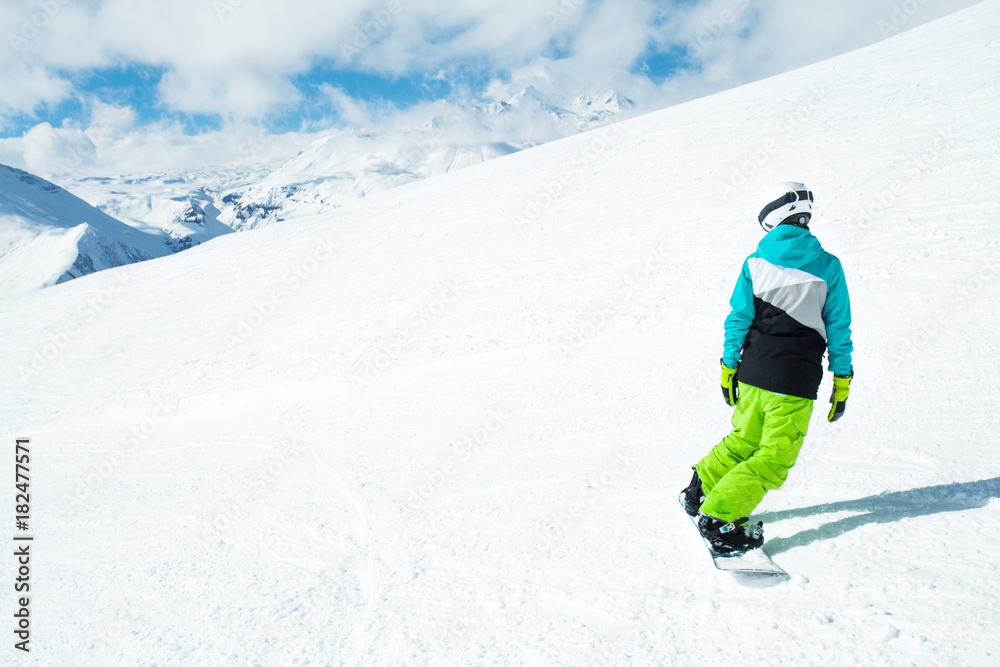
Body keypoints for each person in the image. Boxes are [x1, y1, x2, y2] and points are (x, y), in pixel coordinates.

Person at [680, 181, 854, 555]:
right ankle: (719, 519)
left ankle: (700, 490)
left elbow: (738, 319)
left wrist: (729, 367)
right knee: (774, 457)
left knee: (744, 441)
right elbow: (839, 329)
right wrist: (842, 381)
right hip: (794, 381)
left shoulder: (754, 263)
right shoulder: (828, 266)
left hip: (753, 373)